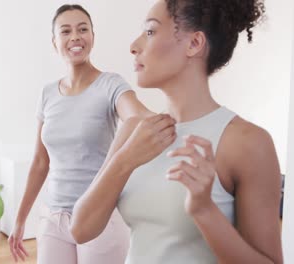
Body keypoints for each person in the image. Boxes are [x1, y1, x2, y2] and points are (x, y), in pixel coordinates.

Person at [71, 0, 284, 263]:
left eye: (150, 32)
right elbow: (81, 229)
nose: (134, 46)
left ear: (194, 44)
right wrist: (125, 160)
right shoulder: (134, 130)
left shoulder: (247, 143)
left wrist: (205, 211)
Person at [7, 4, 175, 264]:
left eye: (82, 29)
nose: (75, 36)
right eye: (66, 31)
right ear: (55, 42)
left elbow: (138, 116)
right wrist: (19, 220)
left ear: (92, 37)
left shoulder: (110, 84)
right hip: (53, 218)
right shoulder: (47, 94)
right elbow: (40, 162)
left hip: (101, 217)